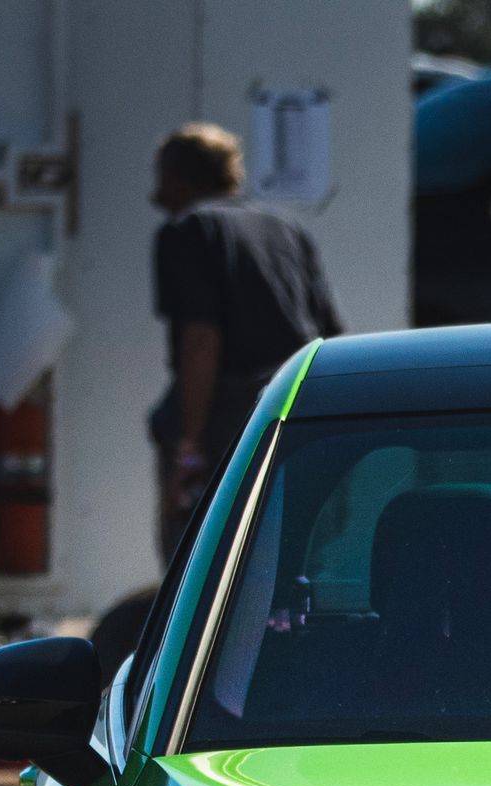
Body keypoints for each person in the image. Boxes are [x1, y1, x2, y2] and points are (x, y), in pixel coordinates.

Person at [149, 121, 344, 557]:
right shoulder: (284, 228)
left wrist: (189, 444)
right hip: (296, 399)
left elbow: (201, 339)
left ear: (178, 177)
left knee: (198, 549)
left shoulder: (186, 232)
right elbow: (329, 330)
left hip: (226, 410)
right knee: (284, 546)